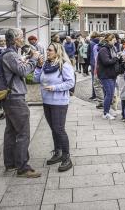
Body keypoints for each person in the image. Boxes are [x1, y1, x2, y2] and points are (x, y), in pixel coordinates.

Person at [1, 28, 41, 178]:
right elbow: (23, 72)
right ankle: (23, 167)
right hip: (15, 98)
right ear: (15, 39)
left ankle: (10, 163)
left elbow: (17, 70)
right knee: (23, 132)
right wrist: (34, 59)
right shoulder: (11, 55)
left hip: (10, 97)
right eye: (21, 37)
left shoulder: (9, 54)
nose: (23, 39)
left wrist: (24, 61)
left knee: (11, 131)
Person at [34, 42, 75, 172]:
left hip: (59, 102)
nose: (47, 51)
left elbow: (70, 82)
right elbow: (36, 79)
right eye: (47, 49)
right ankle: (57, 152)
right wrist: (38, 67)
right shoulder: (46, 65)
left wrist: (55, 88)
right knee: (53, 129)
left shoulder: (64, 65)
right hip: (47, 101)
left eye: (50, 50)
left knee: (59, 129)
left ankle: (67, 157)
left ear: (57, 52)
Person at [97, 33, 119, 120]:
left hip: (112, 74)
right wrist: (116, 58)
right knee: (109, 94)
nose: (116, 41)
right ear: (109, 40)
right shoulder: (103, 50)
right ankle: (105, 113)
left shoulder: (112, 48)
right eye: (114, 40)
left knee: (109, 94)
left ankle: (108, 110)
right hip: (105, 75)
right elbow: (106, 62)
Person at [88, 32, 101, 101]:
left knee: (94, 79)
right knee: (100, 79)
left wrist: (88, 64)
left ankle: (94, 95)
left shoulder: (91, 43)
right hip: (99, 62)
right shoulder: (101, 42)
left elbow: (88, 54)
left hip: (93, 63)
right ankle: (99, 95)